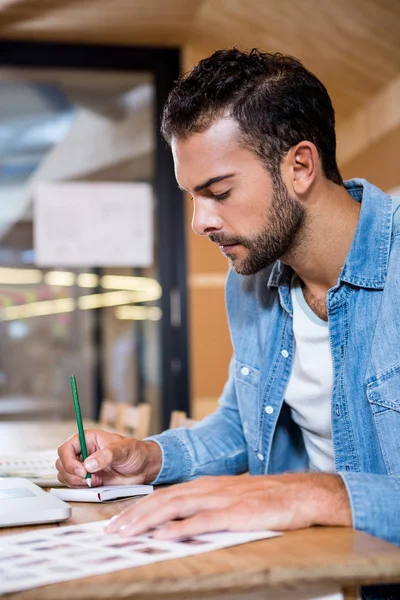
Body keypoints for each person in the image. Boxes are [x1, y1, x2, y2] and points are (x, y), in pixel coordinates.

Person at [57, 49, 400, 597]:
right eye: (193, 198)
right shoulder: (249, 282)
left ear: (301, 166)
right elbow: (242, 425)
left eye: (218, 193)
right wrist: (150, 457)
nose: (200, 222)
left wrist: (313, 494)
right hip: (313, 575)